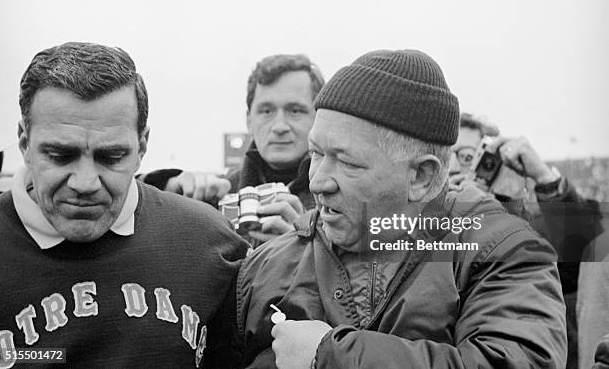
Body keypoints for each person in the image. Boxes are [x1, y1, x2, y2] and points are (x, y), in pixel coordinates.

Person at [236, 49, 567, 368]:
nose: (318, 182)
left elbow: (515, 361)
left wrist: (329, 355)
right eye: (317, 155)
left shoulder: (501, 250)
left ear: (422, 176)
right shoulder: (268, 265)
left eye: (347, 162)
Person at [0, 42, 249, 368]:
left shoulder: (210, 243)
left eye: (111, 157)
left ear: (142, 145)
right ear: (24, 143)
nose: (85, 183)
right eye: (60, 156)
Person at [449, 112, 603, 368]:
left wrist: (544, 178)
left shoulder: (515, 221)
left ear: (489, 163)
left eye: (467, 156)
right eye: (447, 154)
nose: (454, 166)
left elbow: (583, 264)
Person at [142, 54, 325, 242]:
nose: (279, 127)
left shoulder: (337, 196)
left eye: (295, 111)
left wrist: (307, 246)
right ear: (249, 120)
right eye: (266, 111)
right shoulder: (219, 194)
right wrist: (170, 192)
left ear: (319, 118)